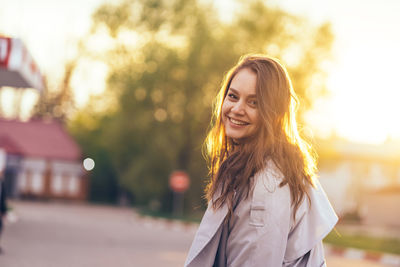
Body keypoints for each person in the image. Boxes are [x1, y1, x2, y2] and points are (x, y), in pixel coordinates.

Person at [184, 54, 338, 267]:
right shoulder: (255, 167)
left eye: (254, 102)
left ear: (273, 113)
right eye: (233, 96)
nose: (237, 109)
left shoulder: (266, 186)